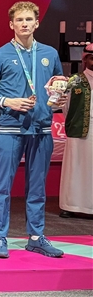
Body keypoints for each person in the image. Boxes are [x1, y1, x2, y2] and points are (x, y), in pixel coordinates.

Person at [0, 1, 64, 259]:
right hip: (9, 130)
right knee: (2, 186)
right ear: (11, 24)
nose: (24, 24)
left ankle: (36, 237)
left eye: (29, 19)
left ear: (37, 23)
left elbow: (57, 85)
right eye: (20, 20)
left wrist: (60, 98)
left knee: (37, 187)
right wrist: (7, 101)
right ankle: (1, 237)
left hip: (41, 129)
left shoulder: (50, 54)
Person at [59, 42, 92, 218]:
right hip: (79, 130)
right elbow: (65, 106)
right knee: (76, 167)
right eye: (92, 58)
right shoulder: (74, 80)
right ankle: (71, 205)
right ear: (85, 60)